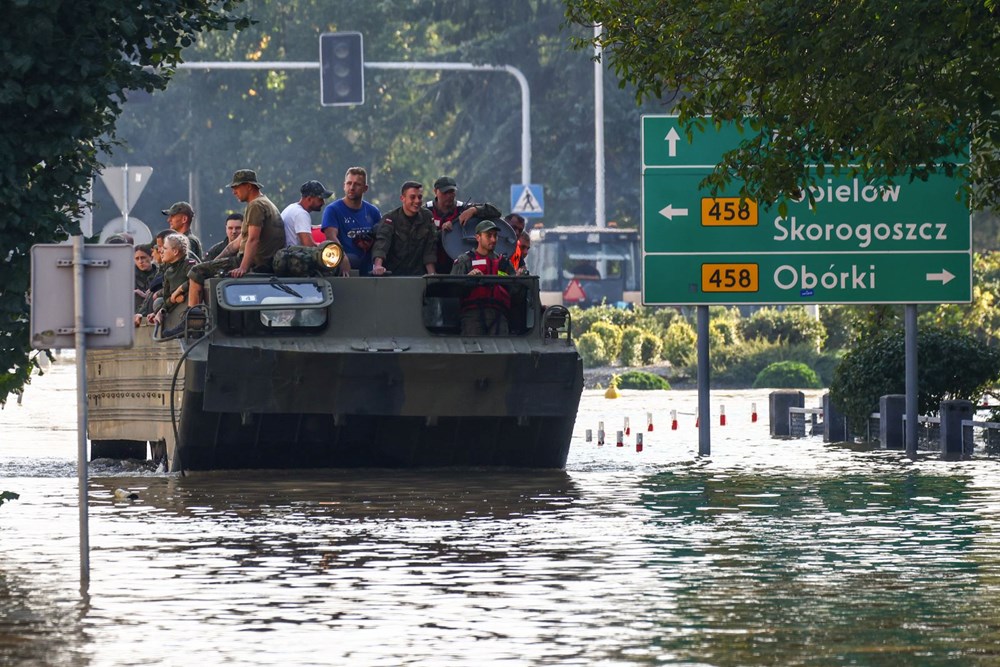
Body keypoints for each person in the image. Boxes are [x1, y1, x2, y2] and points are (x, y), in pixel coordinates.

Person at [186, 169, 285, 307]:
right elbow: (236, 244)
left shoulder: (256, 205)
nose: (234, 192)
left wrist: (243, 267)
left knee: (196, 272)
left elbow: (253, 239)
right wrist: (213, 262)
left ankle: (193, 319)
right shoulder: (265, 203)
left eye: (236, 187)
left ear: (249, 186)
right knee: (205, 268)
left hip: (256, 263)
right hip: (264, 261)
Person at [451, 219, 523, 335]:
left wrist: (518, 279)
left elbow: (514, 292)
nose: (493, 240)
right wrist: (467, 279)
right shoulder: (465, 261)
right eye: (489, 236)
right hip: (472, 315)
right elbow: (453, 290)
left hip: (499, 314)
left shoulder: (503, 263)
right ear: (478, 237)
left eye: (495, 236)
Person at [425, 176, 502, 274]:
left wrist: (474, 210)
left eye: (452, 192)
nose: (449, 196)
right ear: (436, 191)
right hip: (433, 264)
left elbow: (496, 212)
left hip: (462, 267)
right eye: (445, 192)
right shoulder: (426, 211)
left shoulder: (463, 208)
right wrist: (441, 232)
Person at [321, 167, 382, 276]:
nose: (352, 188)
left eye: (357, 184)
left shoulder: (373, 211)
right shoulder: (333, 210)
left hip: (369, 268)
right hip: (345, 268)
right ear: (344, 186)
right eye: (349, 183)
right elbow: (331, 237)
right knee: (352, 259)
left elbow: (381, 239)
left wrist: (378, 263)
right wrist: (342, 257)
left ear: (365, 188)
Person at [371, 181, 438, 277]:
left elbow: (430, 247)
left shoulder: (427, 216)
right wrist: (378, 266)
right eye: (412, 197)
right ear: (402, 198)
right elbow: (382, 243)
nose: (417, 201)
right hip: (394, 274)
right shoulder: (390, 218)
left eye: (420, 197)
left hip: (418, 274)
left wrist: (432, 274)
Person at [135, 233, 194, 329]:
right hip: (174, 305)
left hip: (185, 307)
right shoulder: (168, 272)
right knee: (158, 302)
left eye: (165, 248)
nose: (161, 251)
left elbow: (195, 280)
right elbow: (167, 297)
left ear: (175, 251)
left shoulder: (188, 264)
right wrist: (158, 311)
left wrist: (179, 291)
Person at [282, 180, 333, 247]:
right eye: (320, 199)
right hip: (294, 256)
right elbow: (308, 245)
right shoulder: (301, 214)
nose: (323, 203)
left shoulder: (292, 207)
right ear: (309, 199)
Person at [133, 244, 157, 313]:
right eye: (137, 258)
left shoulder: (159, 273)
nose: (140, 261)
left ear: (151, 258)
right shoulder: (130, 275)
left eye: (143, 257)